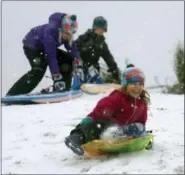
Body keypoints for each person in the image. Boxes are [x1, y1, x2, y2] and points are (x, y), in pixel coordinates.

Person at [64, 63, 151, 156]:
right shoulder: (117, 98)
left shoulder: (142, 103)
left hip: (122, 132)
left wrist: (144, 138)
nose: (137, 88)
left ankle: (114, 136)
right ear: (125, 85)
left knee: (139, 127)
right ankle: (75, 138)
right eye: (133, 84)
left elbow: (142, 122)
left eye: (140, 84)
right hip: (107, 128)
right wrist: (89, 119)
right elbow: (99, 113)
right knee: (98, 124)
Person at [6, 12, 84, 96]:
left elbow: (72, 48)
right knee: (38, 70)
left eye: (71, 33)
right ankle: (13, 94)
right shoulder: (50, 33)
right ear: (61, 29)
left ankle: (63, 88)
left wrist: (77, 61)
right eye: (67, 33)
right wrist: (56, 76)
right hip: (32, 48)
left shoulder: (66, 33)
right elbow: (51, 57)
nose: (69, 35)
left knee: (68, 60)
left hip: (45, 48)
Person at [75, 16, 120, 84]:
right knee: (80, 82)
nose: (102, 31)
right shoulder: (83, 38)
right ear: (95, 27)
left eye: (104, 29)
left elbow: (108, 56)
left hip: (94, 69)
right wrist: (79, 63)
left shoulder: (101, 43)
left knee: (97, 83)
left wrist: (113, 67)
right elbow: (74, 51)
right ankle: (75, 90)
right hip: (81, 67)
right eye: (101, 28)